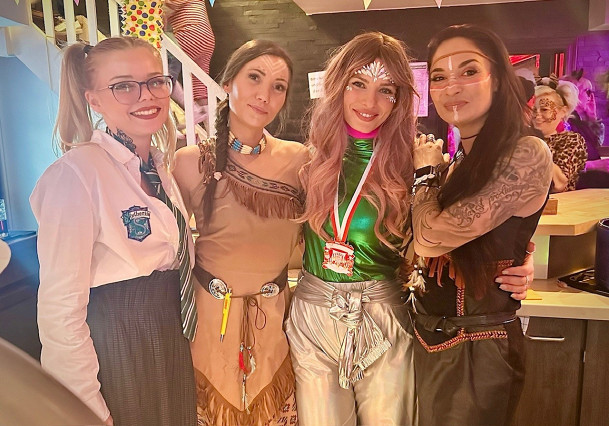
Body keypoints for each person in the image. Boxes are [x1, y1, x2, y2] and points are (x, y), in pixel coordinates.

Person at [285, 31, 533, 426]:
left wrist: (520, 260)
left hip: (385, 315)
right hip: (313, 313)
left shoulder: (418, 163)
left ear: (400, 98)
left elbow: (468, 231)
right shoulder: (305, 162)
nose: (369, 103)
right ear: (338, 86)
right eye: (358, 83)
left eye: (385, 90)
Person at [30, 37, 197, 425]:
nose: (146, 95)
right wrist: (84, 408)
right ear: (94, 100)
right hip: (119, 350)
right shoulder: (76, 175)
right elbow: (60, 309)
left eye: (155, 81)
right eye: (123, 86)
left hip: (169, 340)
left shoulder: (158, 168)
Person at [409, 24, 553, 426]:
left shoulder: (526, 151)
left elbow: (429, 237)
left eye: (469, 71)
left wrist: (424, 174)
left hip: (478, 349)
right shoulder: (461, 161)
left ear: (498, 79)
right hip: (432, 338)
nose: (452, 86)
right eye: (439, 77)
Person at [173, 40, 308, 425]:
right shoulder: (189, 162)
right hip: (208, 321)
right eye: (254, 78)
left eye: (278, 86)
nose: (265, 95)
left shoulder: (299, 160)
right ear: (228, 82)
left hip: (273, 321)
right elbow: (169, 251)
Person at [533, 75, 587, 192]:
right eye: (533, 110)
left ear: (563, 111)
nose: (537, 115)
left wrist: (536, 145)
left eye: (544, 109)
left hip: (558, 202)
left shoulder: (572, 140)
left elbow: (558, 184)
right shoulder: (520, 138)